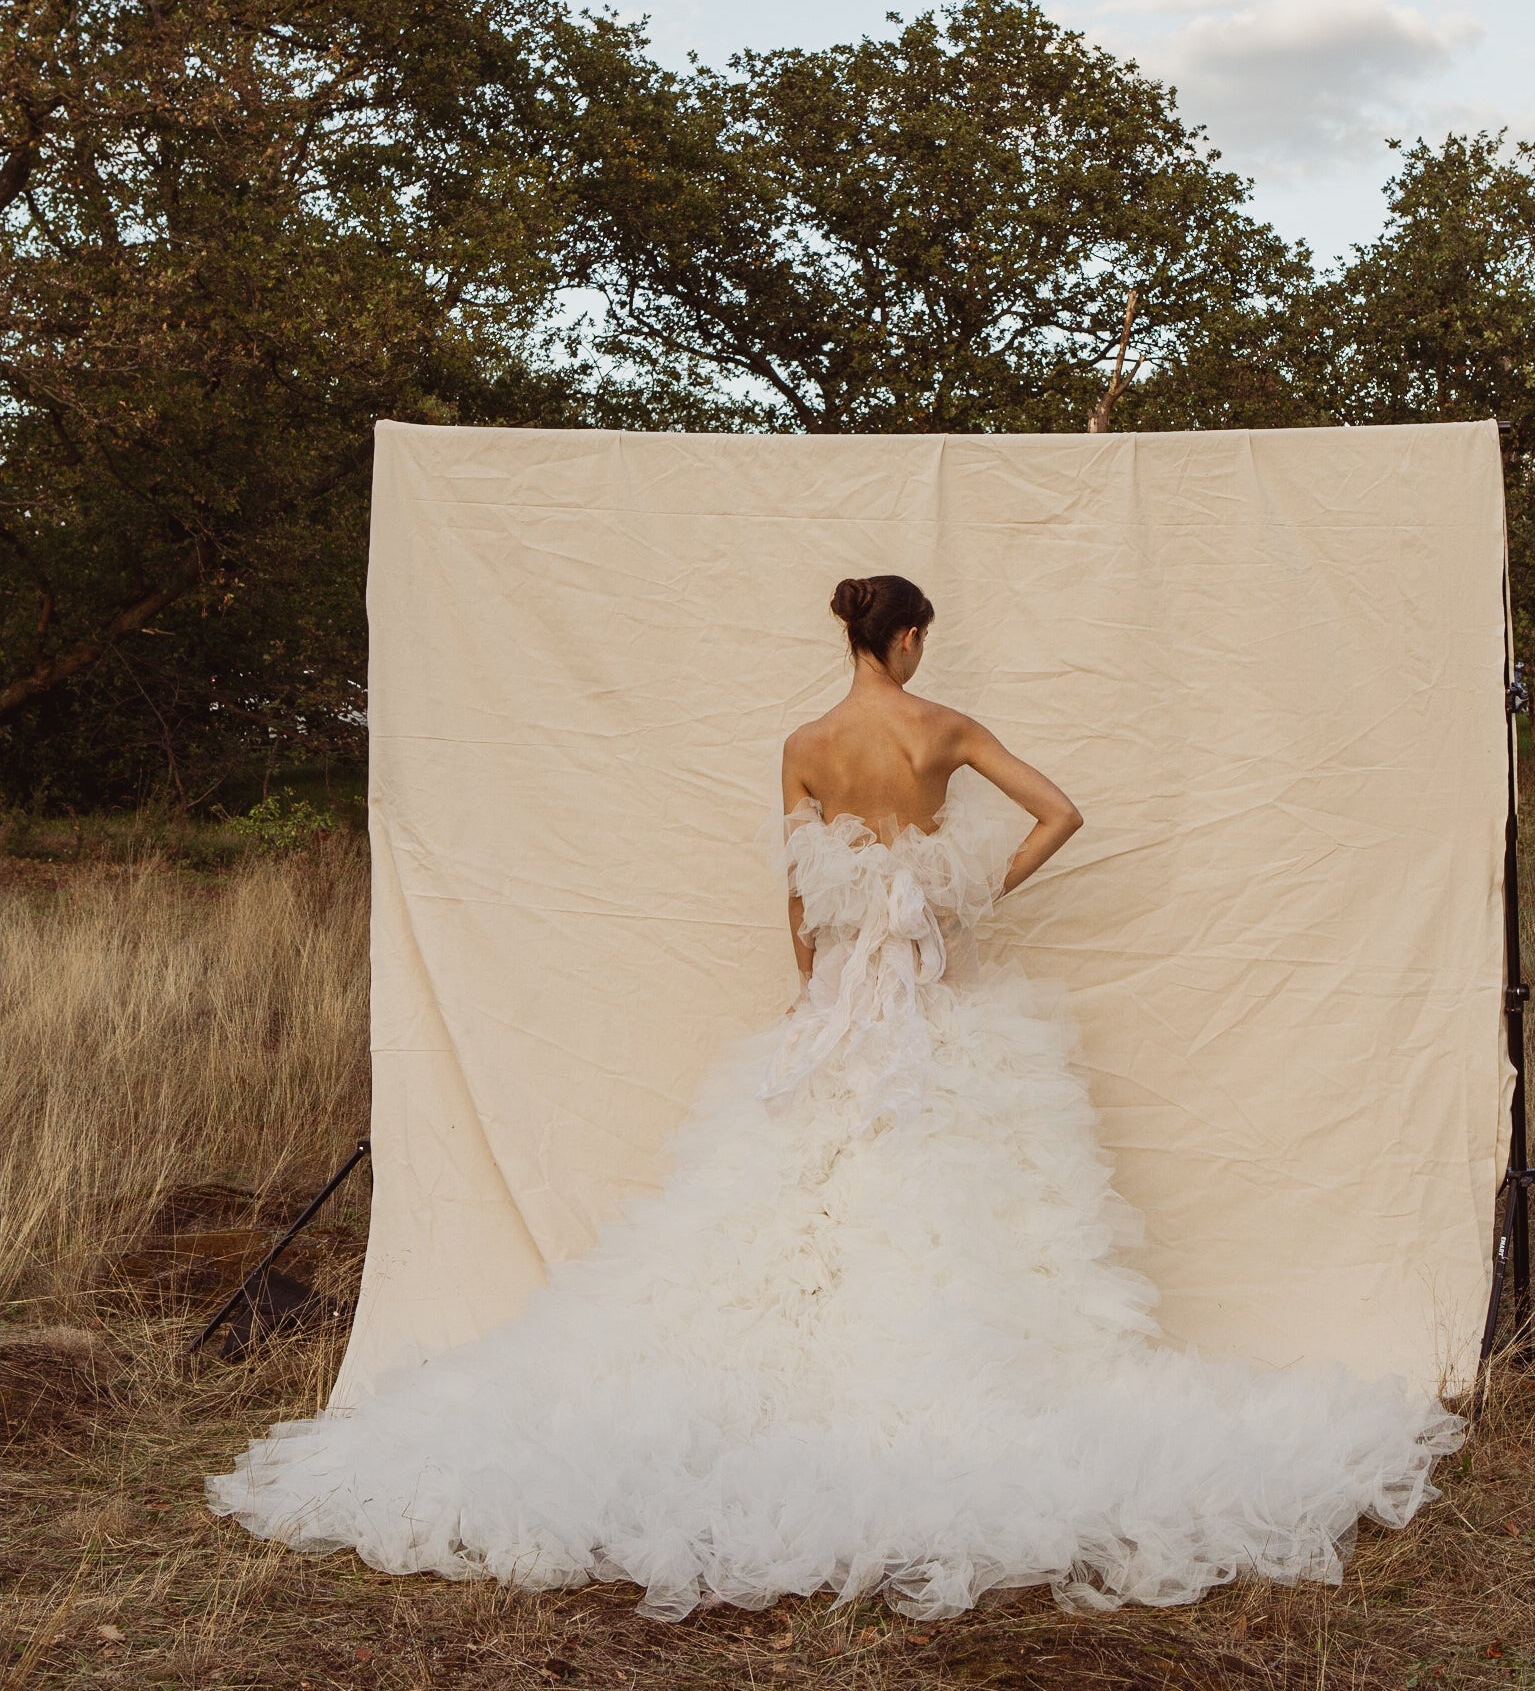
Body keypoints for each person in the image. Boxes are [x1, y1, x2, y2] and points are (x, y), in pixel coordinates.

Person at [209, 573, 1461, 1621]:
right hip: (923, 982)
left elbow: (799, 901)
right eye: (922, 635)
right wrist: (965, 891)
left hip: (840, 992)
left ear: (848, 637)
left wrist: (821, 980)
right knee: (952, 1179)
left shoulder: (805, 745)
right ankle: (936, 1376)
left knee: (800, 1176)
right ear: (906, 638)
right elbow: (1062, 812)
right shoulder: (942, 729)